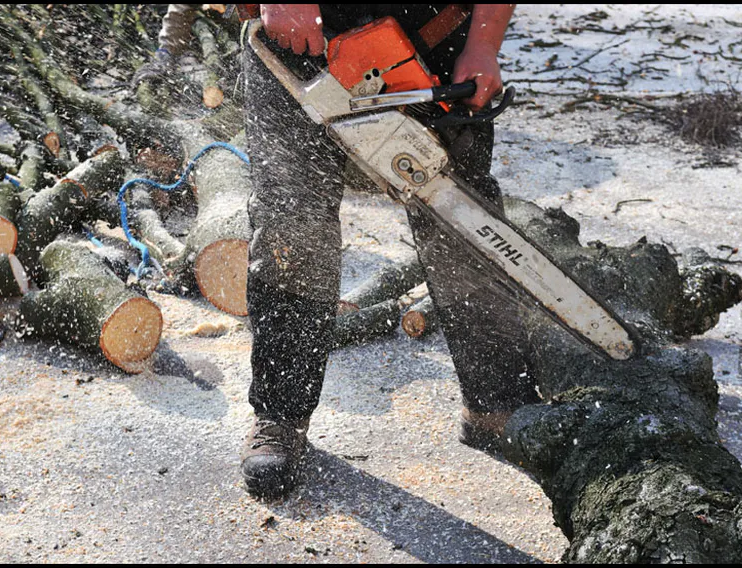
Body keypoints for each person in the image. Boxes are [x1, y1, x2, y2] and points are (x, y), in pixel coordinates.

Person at [138, 4, 538, 499]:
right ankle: (280, 416)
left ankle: (498, 403)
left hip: (435, 34)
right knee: (292, 225)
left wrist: (483, 42)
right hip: (298, 43)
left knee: (461, 217)